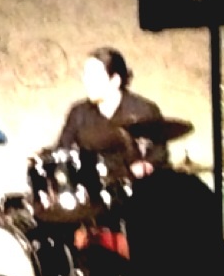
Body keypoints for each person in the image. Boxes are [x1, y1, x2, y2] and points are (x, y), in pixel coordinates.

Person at [55, 47, 169, 181]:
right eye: (85, 75)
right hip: (93, 185)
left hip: (136, 185)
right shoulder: (78, 113)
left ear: (115, 80)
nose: (86, 81)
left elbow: (160, 152)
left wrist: (147, 164)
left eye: (94, 76)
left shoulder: (143, 110)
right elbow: (62, 150)